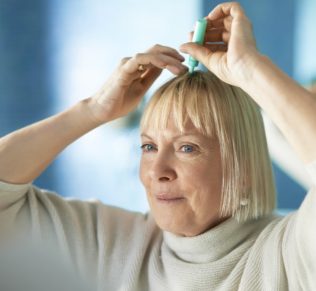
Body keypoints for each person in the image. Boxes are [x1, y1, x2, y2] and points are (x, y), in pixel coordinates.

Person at [0, 2, 315, 290]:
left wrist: (251, 69)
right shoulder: (109, 245)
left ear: (242, 167)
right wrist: (93, 109)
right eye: (149, 147)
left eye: (187, 148)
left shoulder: (292, 253)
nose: (157, 172)